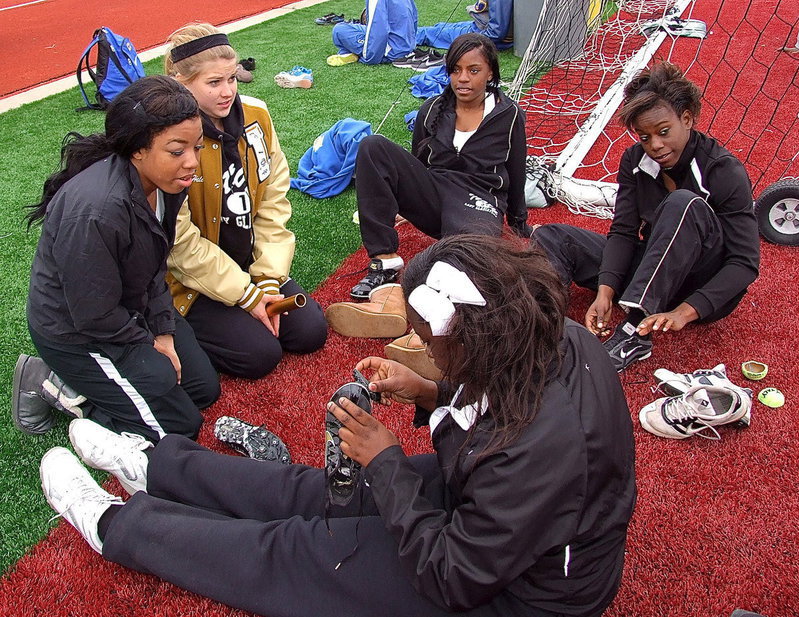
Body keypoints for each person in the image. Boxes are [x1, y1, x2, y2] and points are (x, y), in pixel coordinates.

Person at [40, 234, 636, 617]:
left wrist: (385, 463)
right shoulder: (556, 338)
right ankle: (157, 469)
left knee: (305, 551)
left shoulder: (536, 448)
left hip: (527, 596)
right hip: (504, 509)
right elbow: (502, 411)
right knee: (316, 493)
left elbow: (454, 575)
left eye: (426, 343)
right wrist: (430, 388)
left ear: (475, 338)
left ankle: (116, 526)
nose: (414, 346)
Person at [16, 76, 220, 443]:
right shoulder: (97, 211)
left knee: (203, 390)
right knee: (177, 430)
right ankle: (56, 385)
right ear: (137, 150)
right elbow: (92, 314)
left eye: (197, 147)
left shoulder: (166, 184)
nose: (192, 162)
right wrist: (147, 340)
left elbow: (156, 267)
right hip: (78, 332)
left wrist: (164, 331)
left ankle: (118, 378)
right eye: (177, 150)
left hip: (126, 307)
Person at [533, 61, 760, 372]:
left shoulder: (722, 170)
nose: (655, 145)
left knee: (683, 204)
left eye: (664, 132)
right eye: (644, 136)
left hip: (700, 282)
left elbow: (744, 264)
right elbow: (624, 231)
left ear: (687, 118)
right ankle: (541, 321)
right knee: (552, 235)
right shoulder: (634, 161)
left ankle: (633, 334)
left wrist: (684, 311)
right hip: (651, 270)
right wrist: (605, 291)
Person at [163, 23, 327, 380]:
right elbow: (180, 245)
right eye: (213, 83)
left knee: (311, 331)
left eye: (232, 79)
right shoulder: (171, 139)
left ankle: (250, 298)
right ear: (181, 83)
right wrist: (246, 297)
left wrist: (267, 280)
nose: (228, 92)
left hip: (248, 263)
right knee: (259, 355)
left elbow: (273, 202)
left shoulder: (256, 116)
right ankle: (183, 330)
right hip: (193, 280)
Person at [347, 32, 530, 301]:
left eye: (473, 70)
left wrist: (518, 225)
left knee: (475, 270)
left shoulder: (509, 115)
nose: (463, 78)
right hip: (436, 195)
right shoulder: (432, 109)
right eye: (455, 70)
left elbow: (516, 172)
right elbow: (416, 164)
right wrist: (404, 200)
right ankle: (385, 263)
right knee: (372, 146)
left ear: (490, 73)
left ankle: (419, 310)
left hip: (477, 203)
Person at [328, 0, 418, 66]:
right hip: (408, 45)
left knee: (338, 30)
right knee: (346, 27)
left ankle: (351, 53)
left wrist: (369, 58)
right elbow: (414, 18)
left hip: (392, 51)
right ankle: (349, 53)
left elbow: (379, 32)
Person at [416, 0, 514, 51]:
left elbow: (496, 33)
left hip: (486, 35)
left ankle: (404, 39)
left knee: (428, 33)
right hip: (482, 27)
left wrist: (472, 40)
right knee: (440, 26)